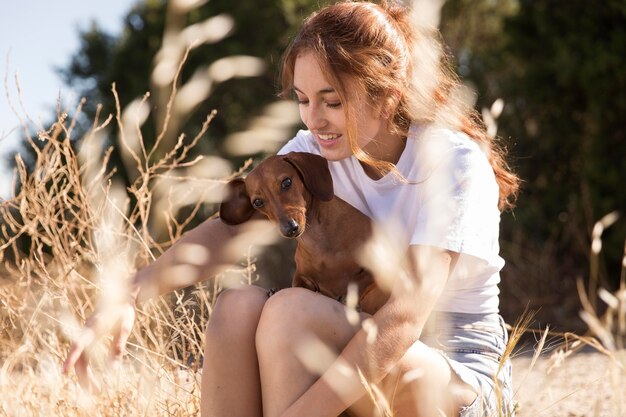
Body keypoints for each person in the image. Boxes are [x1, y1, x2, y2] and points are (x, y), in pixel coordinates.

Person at [63, 1, 520, 416]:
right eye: (303, 100)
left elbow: (403, 320)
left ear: (387, 94)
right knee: (238, 307)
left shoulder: (453, 163)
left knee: (291, 313)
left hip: (457, 376)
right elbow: (227, 230)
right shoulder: (315, 152)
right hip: (357, 346)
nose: (313, 119)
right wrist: (128, 292)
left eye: (332, 101)